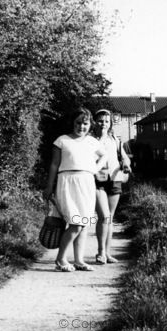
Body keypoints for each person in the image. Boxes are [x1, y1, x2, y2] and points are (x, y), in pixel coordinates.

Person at [44, 108, 107, 272]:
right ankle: (61, 259)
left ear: (90, 124)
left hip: (86, 183)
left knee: (84, 223)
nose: (81, 126)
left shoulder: (92, 141)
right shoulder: (62, 141)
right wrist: (49, 187)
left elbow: (104, 156)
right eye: (78, 123)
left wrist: (95, 168)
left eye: (85, 123)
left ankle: (79, 260)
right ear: (72, 123)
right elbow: (54, 165)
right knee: (76, 223)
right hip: (67, 183)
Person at [92, 109, 131, 264]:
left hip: (114, 179)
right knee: (103, 216)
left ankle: (107, 253)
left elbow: (125, 158)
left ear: (110, 124)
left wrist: (126, 165)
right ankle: (100, 252)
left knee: (110, 218)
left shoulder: (115, 139)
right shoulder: (89, 140)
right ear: (95, 122)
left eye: (107, 121)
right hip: (97, 179)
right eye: (101, 121)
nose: (103, 124)